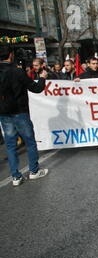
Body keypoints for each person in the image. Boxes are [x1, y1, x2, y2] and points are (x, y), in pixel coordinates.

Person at [0, 44, 49, 186]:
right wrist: (42, 78)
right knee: (29, 141)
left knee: (10, 145)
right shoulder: (17, 72)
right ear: (11, 55)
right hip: (19, 112)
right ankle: (34, 171)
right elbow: (36, 88)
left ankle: (16, 177)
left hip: (4, 113)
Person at [75, 56, 98, 153]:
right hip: (88, 106)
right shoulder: (82, 77)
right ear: (88, 64)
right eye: (93, 63)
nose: (95, 65)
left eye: (96, 63)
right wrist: (76, 82)